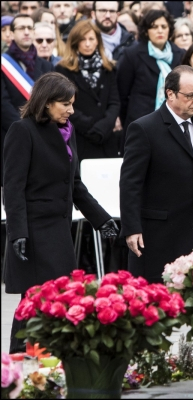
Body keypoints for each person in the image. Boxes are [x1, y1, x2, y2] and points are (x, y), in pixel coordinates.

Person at [3, 72, 119, 353]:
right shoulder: (23, 131)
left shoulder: (68, 131)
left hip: (59, 229)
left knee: (56, 296)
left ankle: (50, 354)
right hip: (33, 230)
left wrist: (101, 219)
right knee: (32, 297)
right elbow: (13, 187)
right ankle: (18, 358)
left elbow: (75, 184)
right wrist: (18, 232)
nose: (71, 110)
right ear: (46, 103)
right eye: (65, 104)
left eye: (72, 103)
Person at [119, 65, 193, 283]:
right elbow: (130, 184)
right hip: (159, 234)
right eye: (190, 95)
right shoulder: (144, 128)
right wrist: (131, 228)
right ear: (170, 94)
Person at [55, 19, 120, 160]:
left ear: (98, 41)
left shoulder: (109, 68)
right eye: (83, 39)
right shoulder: (63, 69)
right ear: (75, 42)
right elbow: (62, 103)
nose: (87, 43)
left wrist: (104, 126)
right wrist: (90, 126)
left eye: (91, 38)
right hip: (79, 137)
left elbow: (114, 102)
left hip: (105, 137)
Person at [117, 9, 184, 133]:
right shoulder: (132, 54)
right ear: (146, 31)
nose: (160, 30)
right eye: (154, 27)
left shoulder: (180, 54)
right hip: (140, 122)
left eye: (164, 26)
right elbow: (122, 93)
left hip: (174, 121)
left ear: (169, 29)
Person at [1, 14, 54, 170]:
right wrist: (25, 130)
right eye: (21, 28)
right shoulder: (4, 64)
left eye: (30, 28)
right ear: (11, 33)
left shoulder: (46, 66)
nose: (26, 32)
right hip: (11, 134)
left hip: (42, 136)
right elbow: (3, 104)